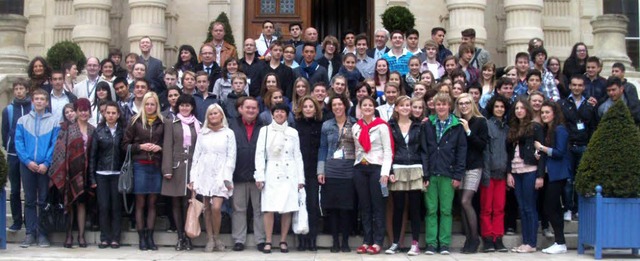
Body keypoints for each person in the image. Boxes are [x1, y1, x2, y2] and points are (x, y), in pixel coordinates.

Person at [254, 103, 305, 254]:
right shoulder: (265, 131)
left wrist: (300, 179)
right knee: (269, 208)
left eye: (283, 112)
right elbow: (259, 154)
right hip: (271, 171)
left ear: (287, 114)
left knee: (287, 208)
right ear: (272, 113)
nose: (279, 114)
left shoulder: (293, 132)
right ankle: (268, 240)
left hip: (289, 172)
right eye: (277, 111)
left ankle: (283, 240)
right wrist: (259, 176)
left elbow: (298, 156)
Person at [14, 88, 61, 248]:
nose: (40, 101)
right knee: (29, 200)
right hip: (27, 166)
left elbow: (54, 144)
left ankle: (42, 234)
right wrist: (27, 161)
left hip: (44, 167)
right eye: (37, 99)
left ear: (47, 102)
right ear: (32, 101)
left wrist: (46, 163)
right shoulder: (22, 120)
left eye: (42, 99)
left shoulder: (54, 121)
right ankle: (29, 233)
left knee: (43, 200)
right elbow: (18, 143)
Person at [422, 92, 467, 255]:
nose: (441, 107)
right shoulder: (427, 124)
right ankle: (431, 243)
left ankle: (445, 243)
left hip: (448, 173)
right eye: (438, 104)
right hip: (431, 173)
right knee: (431, 209)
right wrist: (425, 174)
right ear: (434, 106)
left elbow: (461, 152)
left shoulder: (457, 126)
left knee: (446, 210)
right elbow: (424, 150)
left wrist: (457, 175)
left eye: (444, 104)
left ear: (449, 106)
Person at [49, 98, 95, 248]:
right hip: (70, 171)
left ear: (89, 111)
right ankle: (68, 235)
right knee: (69, 204)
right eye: (80, 110)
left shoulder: (92, 130)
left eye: (86, 110)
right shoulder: (68, 129)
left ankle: (81, 236)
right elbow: (59, 151)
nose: (83, 113)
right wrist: (62, 171)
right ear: (75, 112)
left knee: (82, 204)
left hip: (85, 172)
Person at [190, 104, 236, 252]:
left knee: (216, 207)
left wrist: (227, 176)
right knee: (207, 208)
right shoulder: (203, 134)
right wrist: (193, 178)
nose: (213, 116)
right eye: (210, 114)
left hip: (221, 174)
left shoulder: (229, 133)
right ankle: (210, 238)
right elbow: (196, 156)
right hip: (204, 173)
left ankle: (217, 236)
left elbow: (231, 156)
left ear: (221, 115)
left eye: (216, 113)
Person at [385, 96, 427, 256]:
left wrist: (426, 174)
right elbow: (387, 150)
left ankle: (415, 243)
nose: (405, 108)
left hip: (416, 168)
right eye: (401, 105)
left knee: (415, 209)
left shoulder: (419, 125)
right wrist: (389, 172)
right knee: (398, 208)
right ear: (396, 108)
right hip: (398, 168)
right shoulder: (390, 126)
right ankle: (396, 242)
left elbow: (424, 150)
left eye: (408, 105)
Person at [122, 92, 164, 251]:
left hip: (156, 165)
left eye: (152, 104)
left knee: (153, 202)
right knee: (140, 202)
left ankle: (150, 237)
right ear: (143, 105)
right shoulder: (135, 121)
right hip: (140, 164)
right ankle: (141, 238)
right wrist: (140, 147)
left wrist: (160, 148)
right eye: (147, 104)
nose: (150, 107)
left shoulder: (162, 122)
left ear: (157, 105)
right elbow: (125, 145)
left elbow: (168, 144)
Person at [352, 96, 394, 255]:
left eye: (370, 105)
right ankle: (366, 240)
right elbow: (357, 149)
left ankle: (377, 241)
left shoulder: (382, 126)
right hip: (360, 168)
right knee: (365, 206)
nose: (367, 108)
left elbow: (388, 150)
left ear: (374, 107)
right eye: (364, 105)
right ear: (360, 108)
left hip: (377, 168)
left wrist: (385, 172)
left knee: (378, 206)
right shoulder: (356, 126)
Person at [318, 95, 357, 253]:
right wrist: (320, 170)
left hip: (349, 169)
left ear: (345, 105)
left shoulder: (354, 123)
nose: (337, 107)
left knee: (346, 208)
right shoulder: (327, 125)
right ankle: (335, 241)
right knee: (333, 208)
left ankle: (345, 241)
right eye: (334, 105)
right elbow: (322, 148)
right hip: (331, 169)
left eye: (340, 104)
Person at [506, 98, 545, 253]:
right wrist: (509, 172)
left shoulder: (535, 127)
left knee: (530, 207)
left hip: (530, 171)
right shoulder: (513, 128)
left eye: (522, 108)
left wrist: (540, 176)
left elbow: (541, 153)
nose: (519, 111)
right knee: (522, 208)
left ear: (527, 110)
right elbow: (509, 153)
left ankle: (532, 243)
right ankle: (525, 242)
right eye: (517, 108)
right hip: (516, 172)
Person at [161, 94, 199, 251]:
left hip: (192, 168)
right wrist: (167, 169)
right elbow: (168, 146)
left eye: (188, 105)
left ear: (192, 107)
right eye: (182, 105)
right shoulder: (171, 123)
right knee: (176, 202)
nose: (185, 108)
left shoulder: (198, 124)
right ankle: (180, 237)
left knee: (188, 203)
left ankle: (188, 236)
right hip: (176, 168)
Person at [229, 97, 266, 252]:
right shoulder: (232, 125)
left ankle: (261, 240)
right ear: (240, 109)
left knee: (259, 209)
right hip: (238, 173)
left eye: (254, 108)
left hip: (258, 175)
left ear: (258, 110)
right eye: (248, 107)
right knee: (239, 209)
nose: (251, 110)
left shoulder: (264, 127)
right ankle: (239, 239)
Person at [454, 93, 489, 254]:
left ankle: (475, 238)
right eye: (460, 103)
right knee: (461, 204)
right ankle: (468, 238)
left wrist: (468, 130)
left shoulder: (480, 121)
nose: (464, 106)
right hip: (459, 166)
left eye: (467, 103)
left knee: (466, 201)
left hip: (474, 165)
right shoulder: (455, 121)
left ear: (472, 103)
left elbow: (482, 145)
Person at [534, 101, 570, 254]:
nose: (544, 115)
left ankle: (560, 242)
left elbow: (559, 152)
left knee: (550, 207)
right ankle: (560, 242)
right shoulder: (547, 130)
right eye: (542, 113)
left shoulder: (560, 129)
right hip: (551, 174)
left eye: (547, 112)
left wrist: (542, 148)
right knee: (553, 207)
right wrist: (540, 153)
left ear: (554, 113)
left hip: (558, 174)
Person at [88, 101, 125, 249]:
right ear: (104, 114)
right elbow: (93, 156)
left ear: (118, 115)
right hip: (101, 173)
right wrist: (92, 177)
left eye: (113, 113)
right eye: (108, 113)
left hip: (117, 173)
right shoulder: (99, 131)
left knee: (116, 207)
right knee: (103, 206)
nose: (110, 115)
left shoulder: (122, 131)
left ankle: (116, 238)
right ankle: (104, 237)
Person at [559, 75, 596, 221]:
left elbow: (592, 127)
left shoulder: (589, 105)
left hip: (583, 146)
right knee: (568, 180)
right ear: (569, 86)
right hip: (568, 146)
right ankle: (568, 208)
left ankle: (578, 209)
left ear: (584, 87)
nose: (577, 88)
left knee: (581, 179)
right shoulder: (562, 104)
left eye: (580, 85)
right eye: (574, 85)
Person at [480, 95, 510, 253]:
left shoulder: (507, 128)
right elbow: (484, 152)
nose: (499, 109)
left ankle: (498, 237)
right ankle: (487, 238)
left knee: (499, 207)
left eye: (502, 107)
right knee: (486, 208)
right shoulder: (487, 125)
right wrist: (485, 173)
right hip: (488, 173)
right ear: (492, 108)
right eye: (497, 106)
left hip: (502, 173)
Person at [293, 96, 323, 251]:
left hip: (313, 171)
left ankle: (312, 239)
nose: (308, 109)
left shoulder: (321, 125)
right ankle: (301, 239)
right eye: (305, 106)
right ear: (301, 109)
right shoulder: (295, 125)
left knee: (312, 205)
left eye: (311, 106)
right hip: (297, 171)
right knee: (298, 205)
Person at [2, 78, 31, 232]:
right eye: (16, 89)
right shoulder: (8, 110)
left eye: (22, 88)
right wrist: (8, 143)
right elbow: (5, 131)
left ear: (27, 90)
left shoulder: (33, 106)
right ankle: (16, 220)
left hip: (29, 154)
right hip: (13, 154)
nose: (19, 91)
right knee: (14, 190)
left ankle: (29, 220)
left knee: (28, 190)